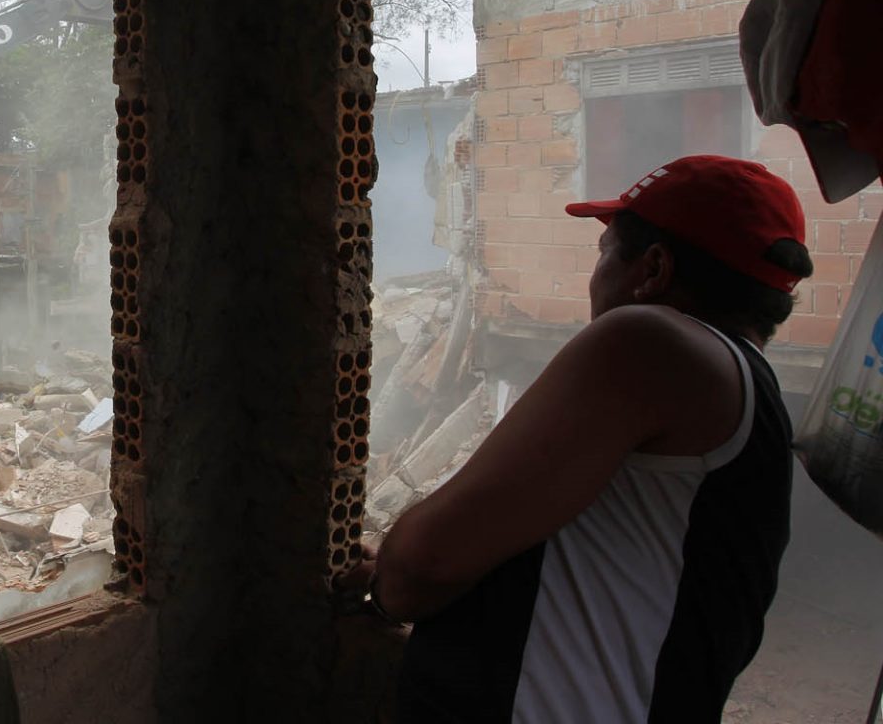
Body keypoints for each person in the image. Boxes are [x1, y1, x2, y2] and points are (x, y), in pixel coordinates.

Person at [346, 154, 812, 723]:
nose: (593, 276)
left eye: (603, 253)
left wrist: (393, 578)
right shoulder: (745, 387)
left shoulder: (649, 341)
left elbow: (424, 563)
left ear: (653, 269)